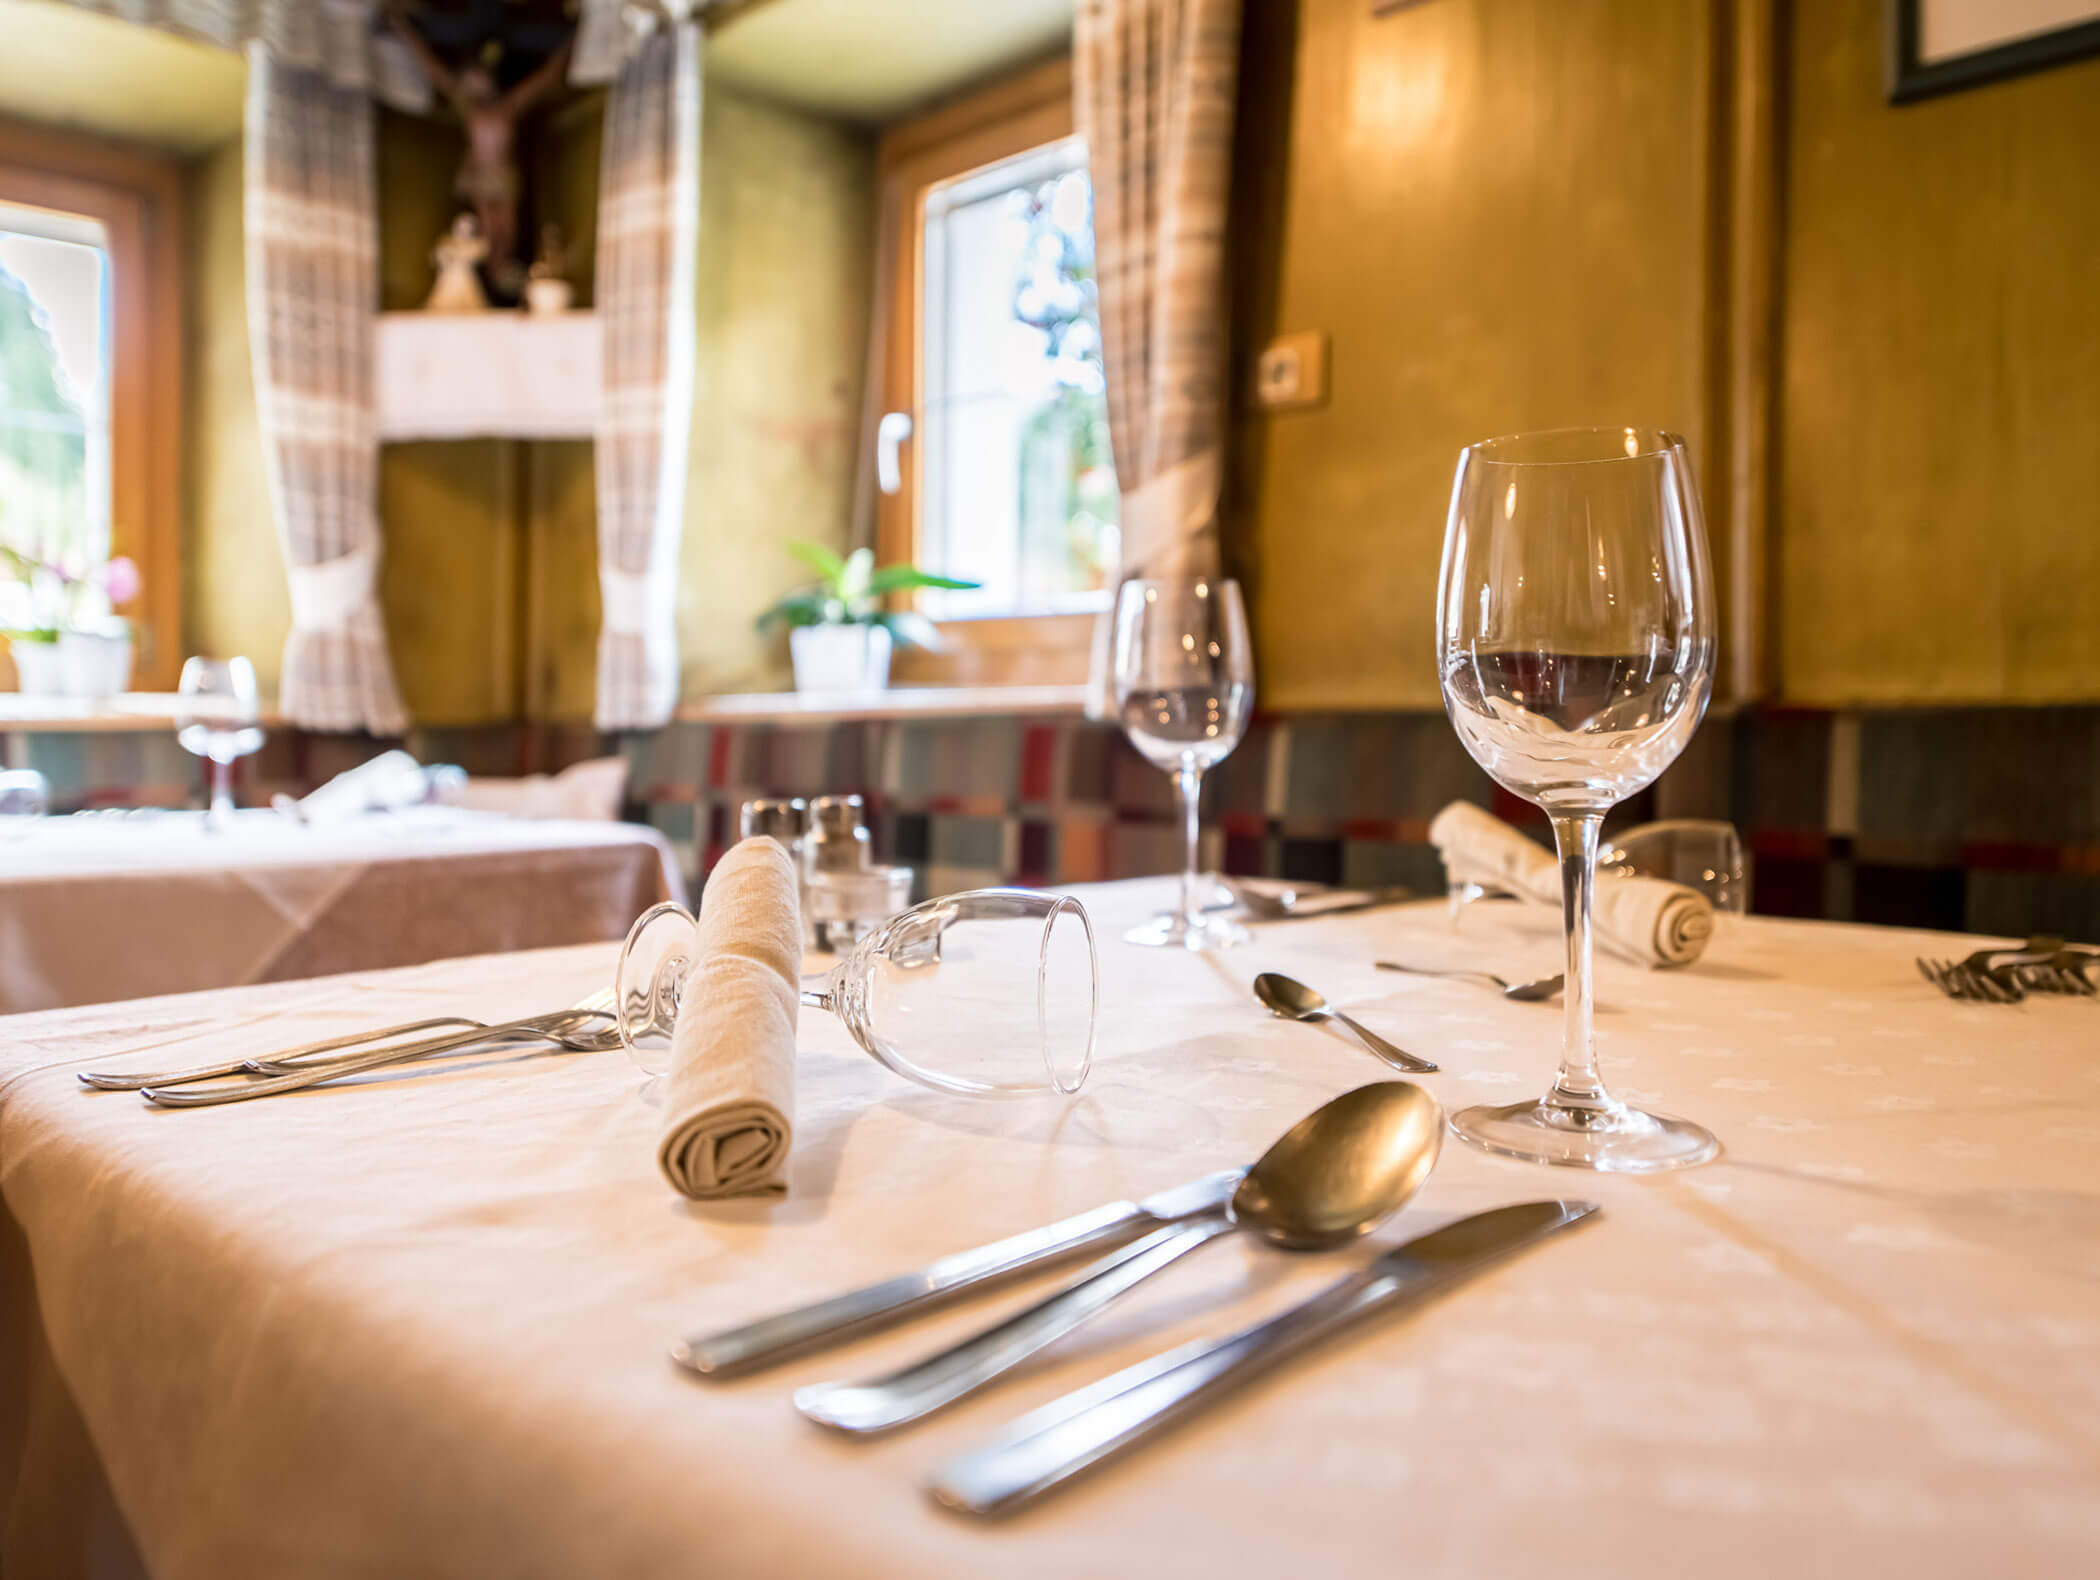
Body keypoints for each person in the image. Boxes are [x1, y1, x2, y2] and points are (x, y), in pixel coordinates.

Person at [386, 7, 572, 285]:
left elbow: (545, 79)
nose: (472, 86)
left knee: (505, 229)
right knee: (490, 230)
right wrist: (404, 31)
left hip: (503, 176)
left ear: (491, 81)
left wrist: (570, 45)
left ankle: (504, 271)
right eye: (468, 80)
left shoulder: (507, 108)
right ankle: (497, 273)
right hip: (478, 177)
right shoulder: (468, 106)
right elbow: (434, 71)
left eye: (477, 80)